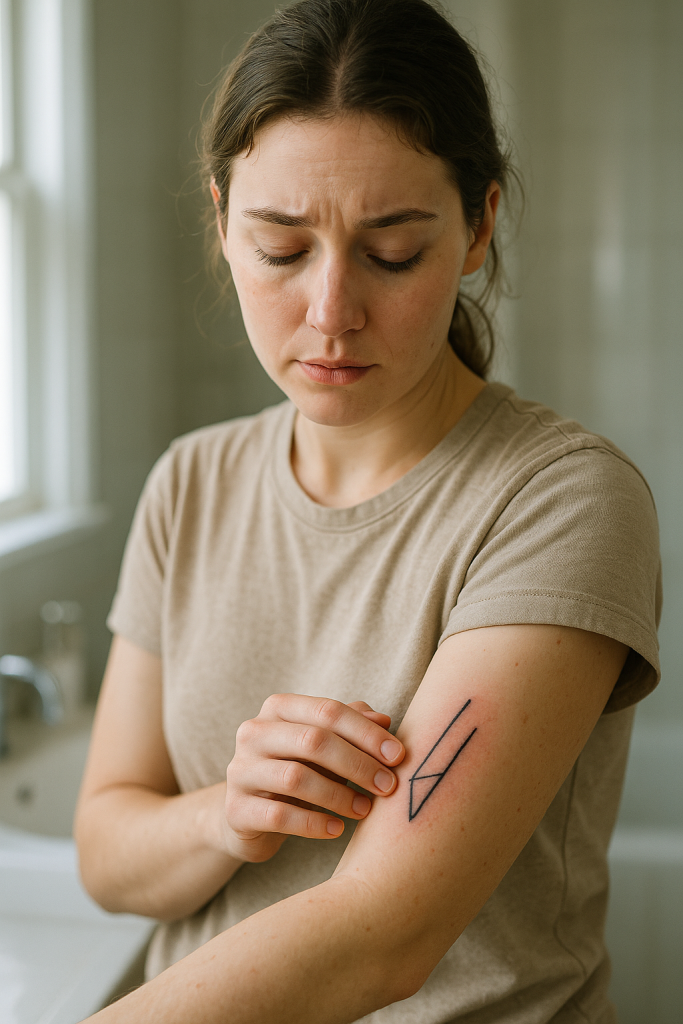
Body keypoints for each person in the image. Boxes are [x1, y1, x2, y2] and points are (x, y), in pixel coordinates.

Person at [74, 1, 661, 1021]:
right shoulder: (189, 483)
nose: (331, 310)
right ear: (221, 223)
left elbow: (381, 937)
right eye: (279, 248)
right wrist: (229, 815)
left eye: (391, 251)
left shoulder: (560, 496)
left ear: (477, 225)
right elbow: (107, 851)